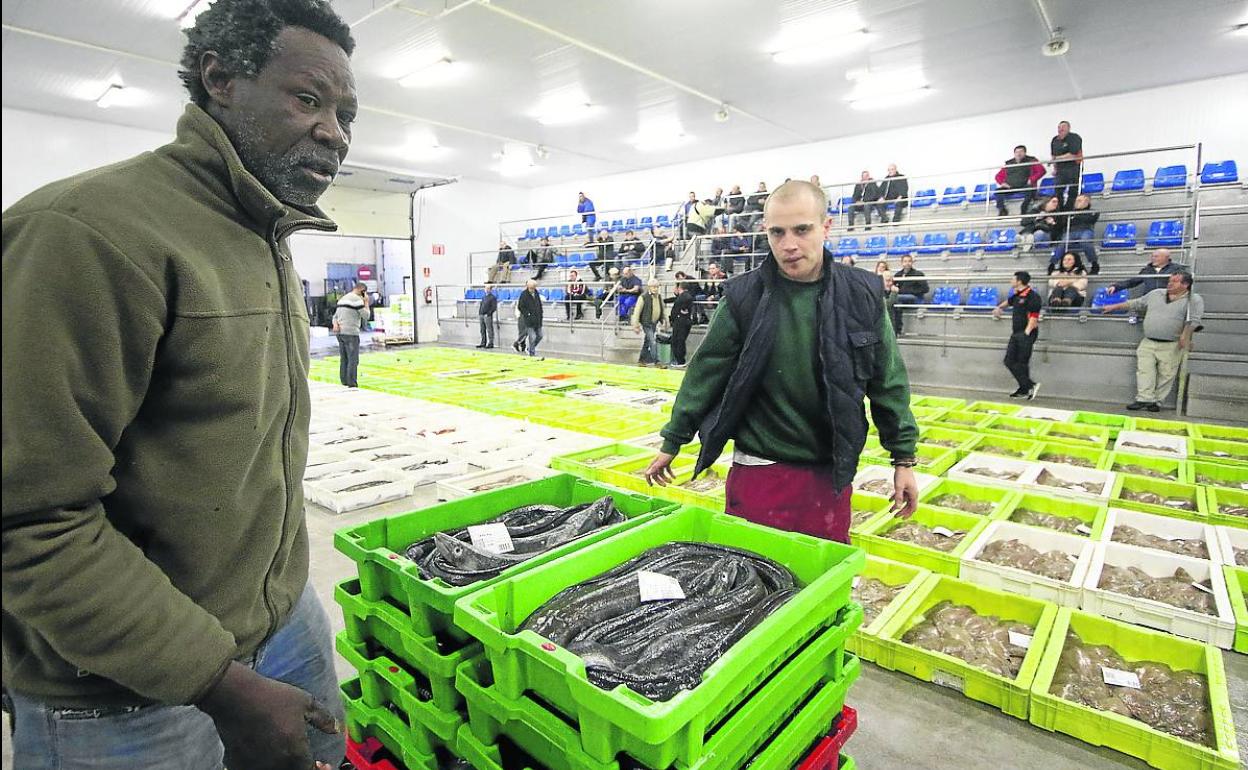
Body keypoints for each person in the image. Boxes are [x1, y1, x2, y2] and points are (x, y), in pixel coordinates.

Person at [1, 2, 356, 768]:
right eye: (308, 99)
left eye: (343, 113)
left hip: (284, 625)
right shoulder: (85, 233)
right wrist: (216, 681)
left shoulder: (264, 234)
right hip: (126, 692)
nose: (334, 131)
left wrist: (282, 612)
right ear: (220, 79)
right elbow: (28, 517)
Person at [642, 181, 919, 543]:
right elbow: (705, 374)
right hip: (759, 467)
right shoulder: (744, 297)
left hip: (830, 470)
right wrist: (673, 440)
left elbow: (888, 380)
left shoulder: (862, 295)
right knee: (751, 571)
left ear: (826, 227)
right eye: (777, 232)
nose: (789, 244)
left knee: (817, 575)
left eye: (802, 229)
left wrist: (903, 459)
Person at [1098, 271, 1203, 412]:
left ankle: (1157, 401)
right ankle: (1143, 398)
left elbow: (1194, 321)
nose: (1170, 283)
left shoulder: (1194, 299)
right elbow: (1136, 303)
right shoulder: (1156, 294)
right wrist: (1114, 306)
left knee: (1166, 374)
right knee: (1144, 371)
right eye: (1170, 280)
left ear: (1185, 285)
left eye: (1175, 281)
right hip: (1148, 341)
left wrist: (1185, 336)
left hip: (1172, 343)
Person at [992, 271, 1043, 399]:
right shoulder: (1017, 295)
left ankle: (1026, 387)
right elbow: (1009, 302)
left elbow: (1034, 316)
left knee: (1021, 362)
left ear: (1019, 281)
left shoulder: (1033, 296)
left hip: (1026, 333)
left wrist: (1026, 333)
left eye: (1013, 279)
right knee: (1009, 361)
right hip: (1016, 333)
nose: (1011, 281)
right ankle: (1027, 386)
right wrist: (999, 308)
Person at [332, 282, 370, 386]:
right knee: (353, 360)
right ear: (362, 291)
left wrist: (335, 324)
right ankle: (352, 383)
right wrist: (366, 302)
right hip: (351, 333)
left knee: (344, 359)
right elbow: (366, 316)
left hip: (340, 333)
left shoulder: (342, 299)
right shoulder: (357, 300)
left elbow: (334, 316)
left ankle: (344, 382)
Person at [1108, 248, 1187, 297]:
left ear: (1166, 257)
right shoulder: (1147, 270)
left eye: (1156, 256)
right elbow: (1132, 282)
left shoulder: (1177, 269)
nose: (1153, 258)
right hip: (1150, 300)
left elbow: (1184, 284)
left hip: (1169, 300)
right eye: (1152, 256)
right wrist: (1116, 286)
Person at [994, 145, 1045, 216]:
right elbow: (998, 176)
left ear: (1025, 152)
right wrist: (1002, 183)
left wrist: (1031, 179)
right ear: (1014, 153)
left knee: (1030, 191)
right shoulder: (1009, 163)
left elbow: (1041, 171)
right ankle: (1002, 210)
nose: (1019, 154)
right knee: (998, 191)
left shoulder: (1032, 160)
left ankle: (1024, 209)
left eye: (1021, 151)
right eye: (1017, 152)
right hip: (1010, 187)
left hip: (1025, 186)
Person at [632, 279, 667, 366]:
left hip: (654, 322)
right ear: (649, 287)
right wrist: (635, 325)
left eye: (657, 287)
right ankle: (657, 361)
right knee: (652, 341)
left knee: (647, 342)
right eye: (654, 287)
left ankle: (641, 360)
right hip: (646, 323)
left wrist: (666, 320)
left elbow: (663, 309)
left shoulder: (659, 297)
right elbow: (637, 311)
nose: (655, 289)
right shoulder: (643, 297)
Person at [1050, 120, 1084, 209]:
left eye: (1063, 127)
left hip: (1073, 167)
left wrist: (1056, 158)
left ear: (1068, 128)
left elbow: (1072, 155)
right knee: (1058, 190)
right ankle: (1060, 210)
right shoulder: (1055, 140)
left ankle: (1069, 209)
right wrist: (1055, 168)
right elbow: (1053, 155)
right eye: (1059, 127)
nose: (1061, 129)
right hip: (1060, 169)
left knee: (1073, 190)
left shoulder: (1074, 138)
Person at [1064, 193, 1100, 274]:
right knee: (1062, 243)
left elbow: (1089, 219)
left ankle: (1094, 264)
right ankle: (1053, 265)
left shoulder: (1093, 212)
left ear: (1087, 201)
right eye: (1076, 200)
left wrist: (1076, 216)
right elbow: (1065, 222)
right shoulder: (1071, 213)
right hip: (1072, 232)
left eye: (1079, 200)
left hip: (1086, 230)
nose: (1076, 202)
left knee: (1085, 241)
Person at [668, 282, 695, 367]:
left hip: (680, 322)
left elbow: (676, 309)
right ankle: (679, 360)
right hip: (684, 321)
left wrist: (671, 319)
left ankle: (680, 361)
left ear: (679, 288)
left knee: (678, 341)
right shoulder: (684, 296)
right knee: (679, 341)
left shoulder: (684, 297)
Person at [515, 279, 544, 356]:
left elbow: (539, 305)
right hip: (529, 320)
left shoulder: (536, 293)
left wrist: (541, 314)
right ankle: (532, 352)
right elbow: (520, 306)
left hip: (537, 319)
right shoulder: (524, 294)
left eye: (533, 288)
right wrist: (527, 314)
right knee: (532, 337)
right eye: (531, 288)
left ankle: (530, 348)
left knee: (540, 336)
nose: (532, 289)